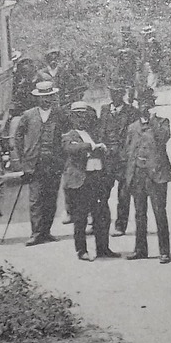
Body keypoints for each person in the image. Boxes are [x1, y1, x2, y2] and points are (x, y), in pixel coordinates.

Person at [123, 92, 171, 263]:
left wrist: (152, 120)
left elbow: (163, 138)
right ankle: (140, 249)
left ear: (153, 105)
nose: (144, 107)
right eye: (141, 104)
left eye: (148, 104)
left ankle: (164, 251)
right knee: (139, 214)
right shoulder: (132, 128)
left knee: (160, 213)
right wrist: (129, 176)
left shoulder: (162, 123)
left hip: (157, 176)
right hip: (138, 175)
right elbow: (129, 153)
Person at [63, 100, 117, 261]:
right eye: (78, 116)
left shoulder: (94, 133)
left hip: (97, 178)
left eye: (84, 116)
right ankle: (81, 250)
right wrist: (92, 147)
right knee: (80, 217)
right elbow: (71, 149)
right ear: (72, 118)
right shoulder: (69, 135)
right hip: (81, 181)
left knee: (102, 215)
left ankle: (103, 248)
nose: (82, 119)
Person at [14, 79, 66, 245]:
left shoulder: (60, 114)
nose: (46, 100)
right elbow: (18, 136)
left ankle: (46, 232)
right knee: (35, 199)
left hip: (54, 163)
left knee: (51, 197)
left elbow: (68, 134)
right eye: (43, 97)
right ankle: (36, 233)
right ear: (37, 98)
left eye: (49, 96)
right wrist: (23, 158)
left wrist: (64, 156)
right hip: (34, 163)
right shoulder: (28, 115)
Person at [98, 83, 137, 237]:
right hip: (107, 159)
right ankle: (99, 224)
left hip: (123, 160)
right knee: (102, 194)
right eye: (112, 92)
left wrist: (126, 154)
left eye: (118, 93)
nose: (115, 96)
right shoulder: (105, 110)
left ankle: (120, 226)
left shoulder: (132, 112)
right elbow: (100, 132)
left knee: (123, 195)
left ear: (123, 94)